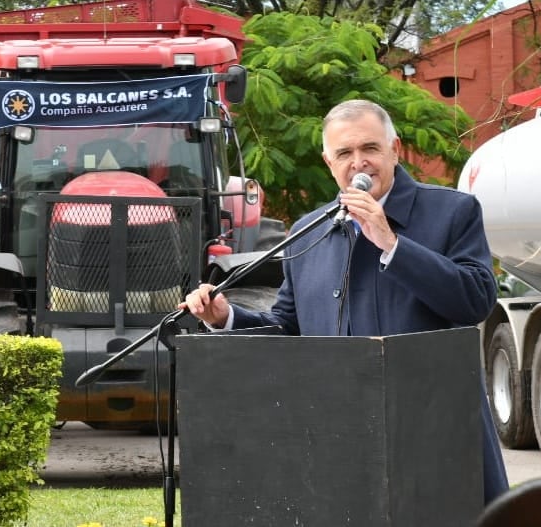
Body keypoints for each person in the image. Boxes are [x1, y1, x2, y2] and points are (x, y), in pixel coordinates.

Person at [180, 99, 508, 505]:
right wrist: (226, 317)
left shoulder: (453, 211)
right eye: (345, 153)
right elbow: (288, 328)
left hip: (433, 429)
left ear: (395, 149)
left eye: (370, 149)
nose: (359, 163)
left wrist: (391, 243)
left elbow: (476, 299)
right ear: (328, 162)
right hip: (341, 430)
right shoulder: (308, 230)